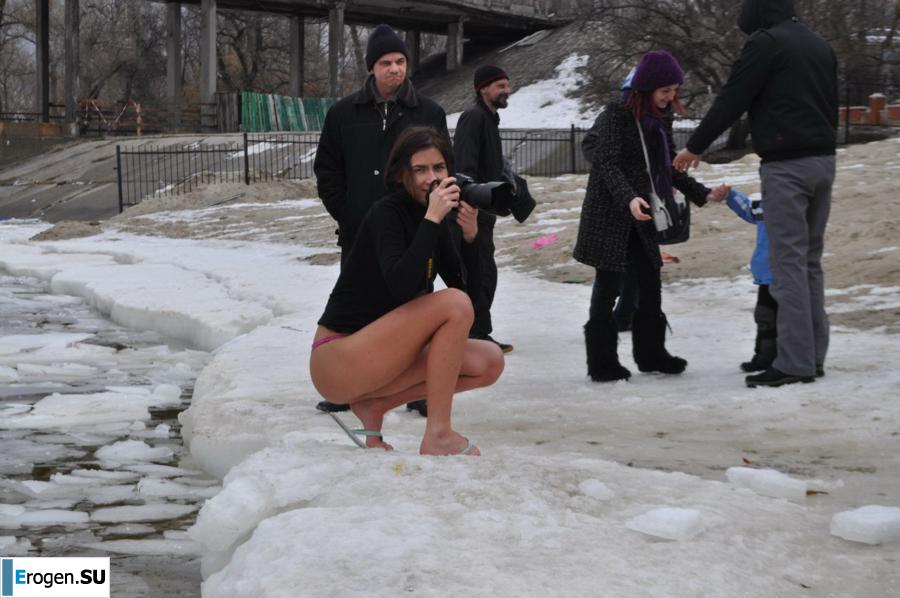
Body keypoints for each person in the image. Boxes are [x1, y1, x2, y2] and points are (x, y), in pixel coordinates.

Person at [309, 126, 505, 455]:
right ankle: (438, 434)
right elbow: (401, 286)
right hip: (336, 359)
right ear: (402, 175)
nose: (432, 178)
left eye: (439, 168)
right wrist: (432, 221)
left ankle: (375, 405)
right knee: (452, 304)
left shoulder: (434, 219)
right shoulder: (386, 214)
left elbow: (471, 303)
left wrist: (472, 239)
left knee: (490, 361)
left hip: (379, 357)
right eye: (420, 169)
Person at [673, 0, 837, 387]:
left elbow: (734, 97)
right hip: (824, 162)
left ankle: (794, 364)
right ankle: (812, 356)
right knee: (809, 263)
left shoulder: (767, 43)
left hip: (787, 167)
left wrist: (695, 146)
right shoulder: (819, 44)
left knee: (787, 266)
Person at [314, 23, 448, 415]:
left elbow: (441, 167)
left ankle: (418, 388)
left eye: (400, 61)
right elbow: (328, 171)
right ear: (372, 67)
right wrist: (349, 213)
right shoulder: (344, 114)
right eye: (386, 62)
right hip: (360, 235)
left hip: (413, 232)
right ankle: (348, 386)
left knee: (415, 309)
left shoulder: (428, 112)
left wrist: (428, 215)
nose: (395, 69)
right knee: (356, 311)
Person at [573, 50, 729, 382]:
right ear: (646, 88)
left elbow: (668, 166)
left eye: (674, 90)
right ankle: (602, 363)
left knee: (650, 281)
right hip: (611, 211)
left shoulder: (660, 118)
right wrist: (629, 198)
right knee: (608, 286)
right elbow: (607, 164)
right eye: (665, 91)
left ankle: (652, 354)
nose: (670, 97)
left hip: (642, 213)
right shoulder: (616, 114)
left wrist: (704, 193)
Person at [452, 65, 514, 353]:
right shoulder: (473, 117)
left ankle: (476, 331)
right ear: (483, 89)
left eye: (507, 85)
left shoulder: (489, 119)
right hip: (473, 211)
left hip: (485, 210)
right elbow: (464, 167)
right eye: (501, 86)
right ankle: (475, 333)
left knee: (484, 271)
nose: (507, 90)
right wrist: (471, 206)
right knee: (480, 272)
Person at [724, 189, 777, 372]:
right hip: (766, 274)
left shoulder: (793, 201)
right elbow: (749, 210)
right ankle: (764, 357)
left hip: (787, 273)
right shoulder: (765, 203)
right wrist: (730, 194)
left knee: (786, 318)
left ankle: (785, 357)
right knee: (765, 316)